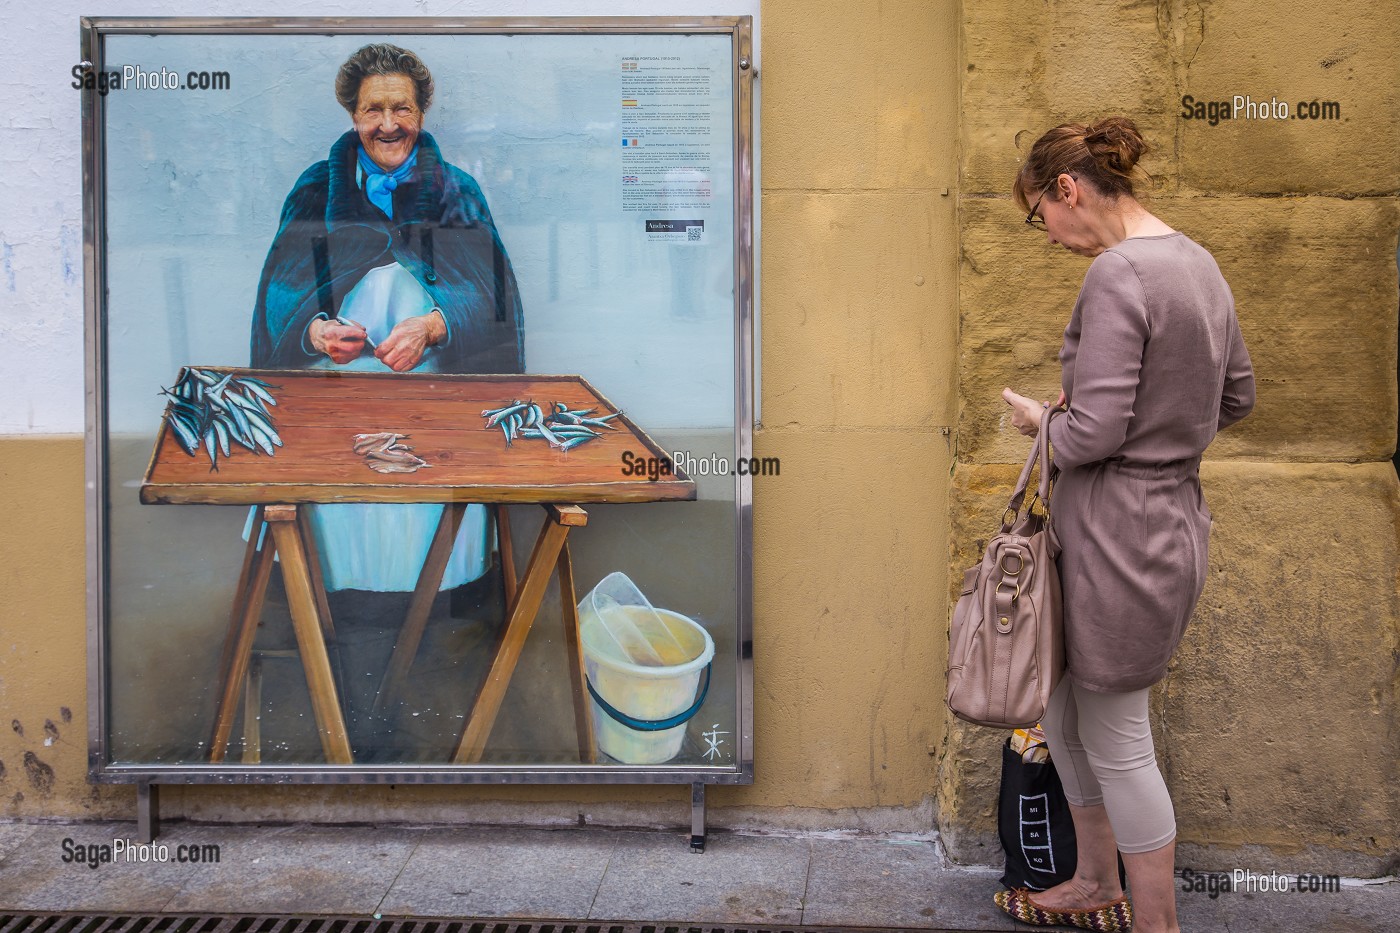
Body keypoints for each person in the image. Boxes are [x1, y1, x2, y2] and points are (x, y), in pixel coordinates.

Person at [998, 117, 1254, 933]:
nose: (1052, 236)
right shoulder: (1198, 263)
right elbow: (1237, 396)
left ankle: (1157, 922)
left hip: (1118, 533)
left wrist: (1042, 420)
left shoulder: (1118, 273)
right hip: (1166, 518)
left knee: (1115, 733)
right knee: (1068, 712)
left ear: (1066, 190)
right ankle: (1091, 879)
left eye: (1042, 217)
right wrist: (1165, 430)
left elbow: (1096, 430)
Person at [249, 43, 524, 598]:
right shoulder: (313, 192)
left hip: (436, 403)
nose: (388, 124)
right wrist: (315, 331)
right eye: (373, 110)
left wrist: (436, 325)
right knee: (344, 537)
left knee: (423, 530)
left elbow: (497, 302)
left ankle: (437, 606)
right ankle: (342, 605)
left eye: (401, 109)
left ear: (421, 114)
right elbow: (279, 298)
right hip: (336, 404)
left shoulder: (458, 193)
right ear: (353, 116)